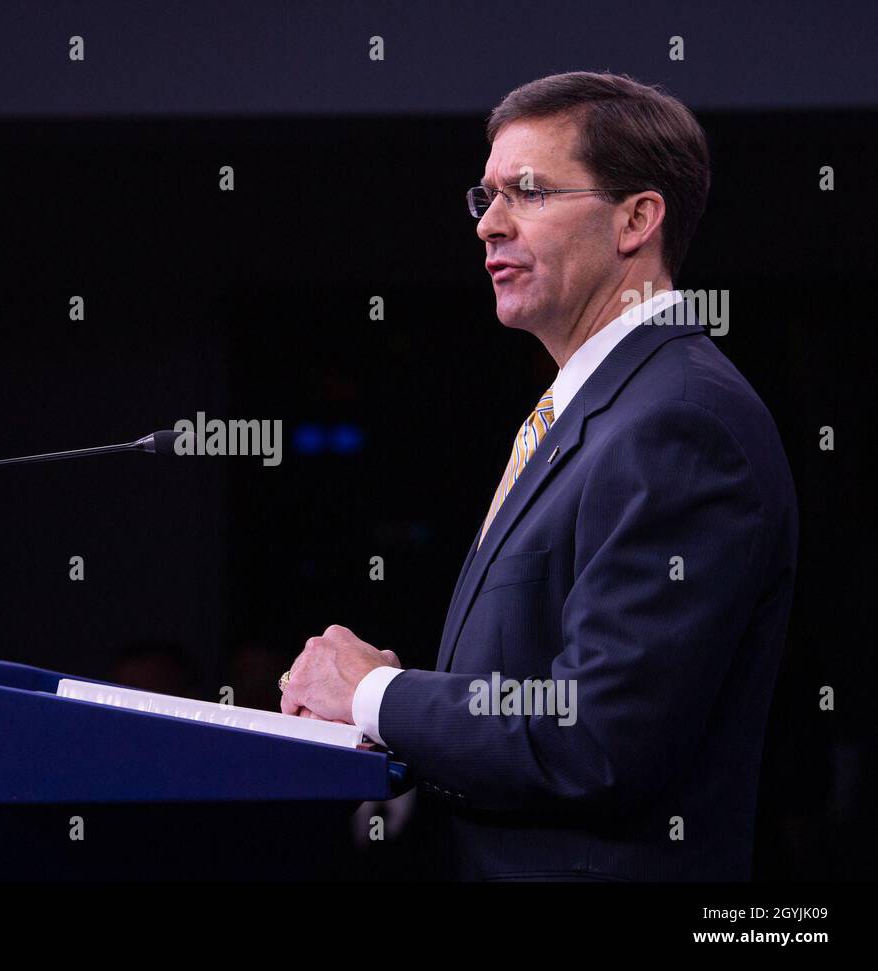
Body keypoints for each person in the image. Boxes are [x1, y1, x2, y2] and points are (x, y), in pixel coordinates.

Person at [279, 71, 798, 881]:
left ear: (636, 218)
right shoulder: (598, 407)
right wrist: (390, 714)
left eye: (526, 191)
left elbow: (598, 737)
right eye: (484, 196)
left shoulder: (679, 423)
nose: (489, 225)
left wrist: (381, 693)